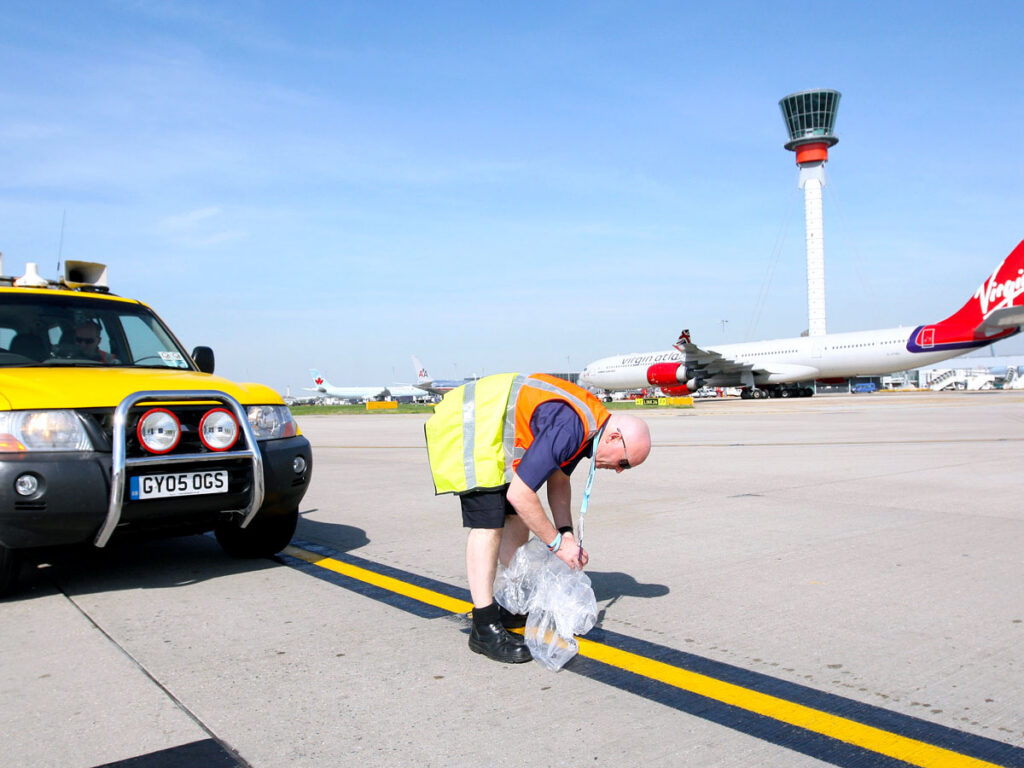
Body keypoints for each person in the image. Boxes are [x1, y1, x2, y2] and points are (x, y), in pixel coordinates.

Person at [425, 373, 651, 663]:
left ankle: (511, 603)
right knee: (488, 524)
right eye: (624, 463)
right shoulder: (574, 426)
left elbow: (558, 480)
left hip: (491, 431)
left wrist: (566, 531)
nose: (619, 470)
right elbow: (521, 494)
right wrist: (557, 544)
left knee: (517, 518)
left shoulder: (589, 425)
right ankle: (483, 626)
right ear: (615, 437)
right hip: (471, 424)